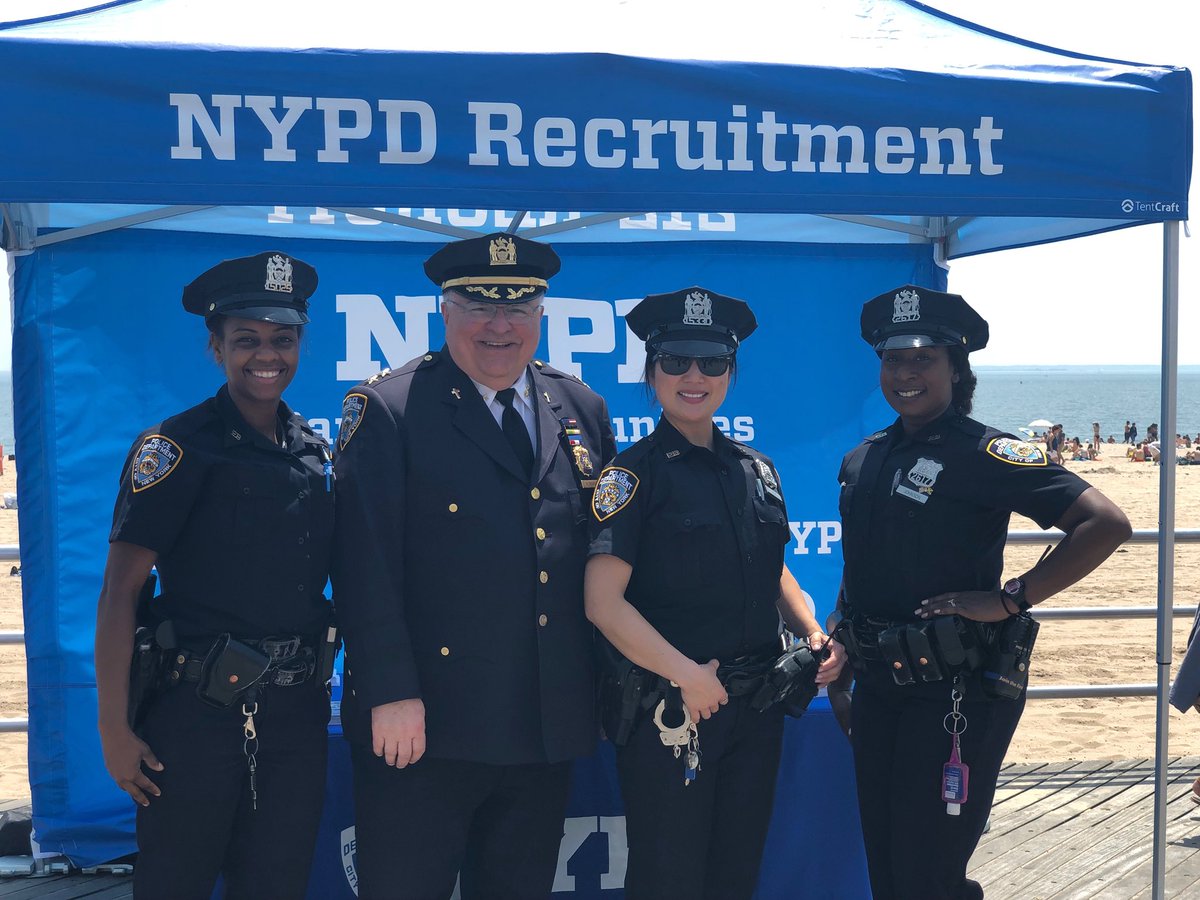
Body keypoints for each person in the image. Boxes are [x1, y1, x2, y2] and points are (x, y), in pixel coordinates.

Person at [332, 233, 616, 900]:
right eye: (479, 306)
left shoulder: (579, 408)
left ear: (541, 315)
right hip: (427, 723)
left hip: (541, 723)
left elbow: (598, 556)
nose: (499, 326)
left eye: (518, 308)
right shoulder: (391, 409)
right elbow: (363, 564)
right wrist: (391, 692)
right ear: (445, 310)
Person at [837, 284, 1130, 900]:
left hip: (952, 691)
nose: (906, 373)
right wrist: (842, 658)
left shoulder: (986, 452)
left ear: (956, 367)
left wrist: (1011, 598)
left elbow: (1105, 524)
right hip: (878, 687)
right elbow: (861, 566)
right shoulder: (865, 457)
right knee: (885, 868)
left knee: (929, 874)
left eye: (924, 359)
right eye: (893, 359)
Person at [584, 287, 845, 900]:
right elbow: (602, 603)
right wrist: (686, 676)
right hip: (673, 711)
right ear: (652, 373)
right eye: (676, 361)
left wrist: (811, 631)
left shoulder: (756, 469)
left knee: (736, 871)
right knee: (668, 879)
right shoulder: (631, 476)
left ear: (731, 371)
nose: (694, 377)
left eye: (712, 362)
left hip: (757, 704)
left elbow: (773, 570)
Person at [95, 252, 335, 899]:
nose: (267, 355)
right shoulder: (175, 448)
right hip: (195, 716)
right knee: (176, 883)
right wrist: (114, 729)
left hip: (295, 717)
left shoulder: (312, 451)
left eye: (283, 339)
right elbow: (120, 593)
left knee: (278, 884)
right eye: (246, 339)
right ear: (216, 347)